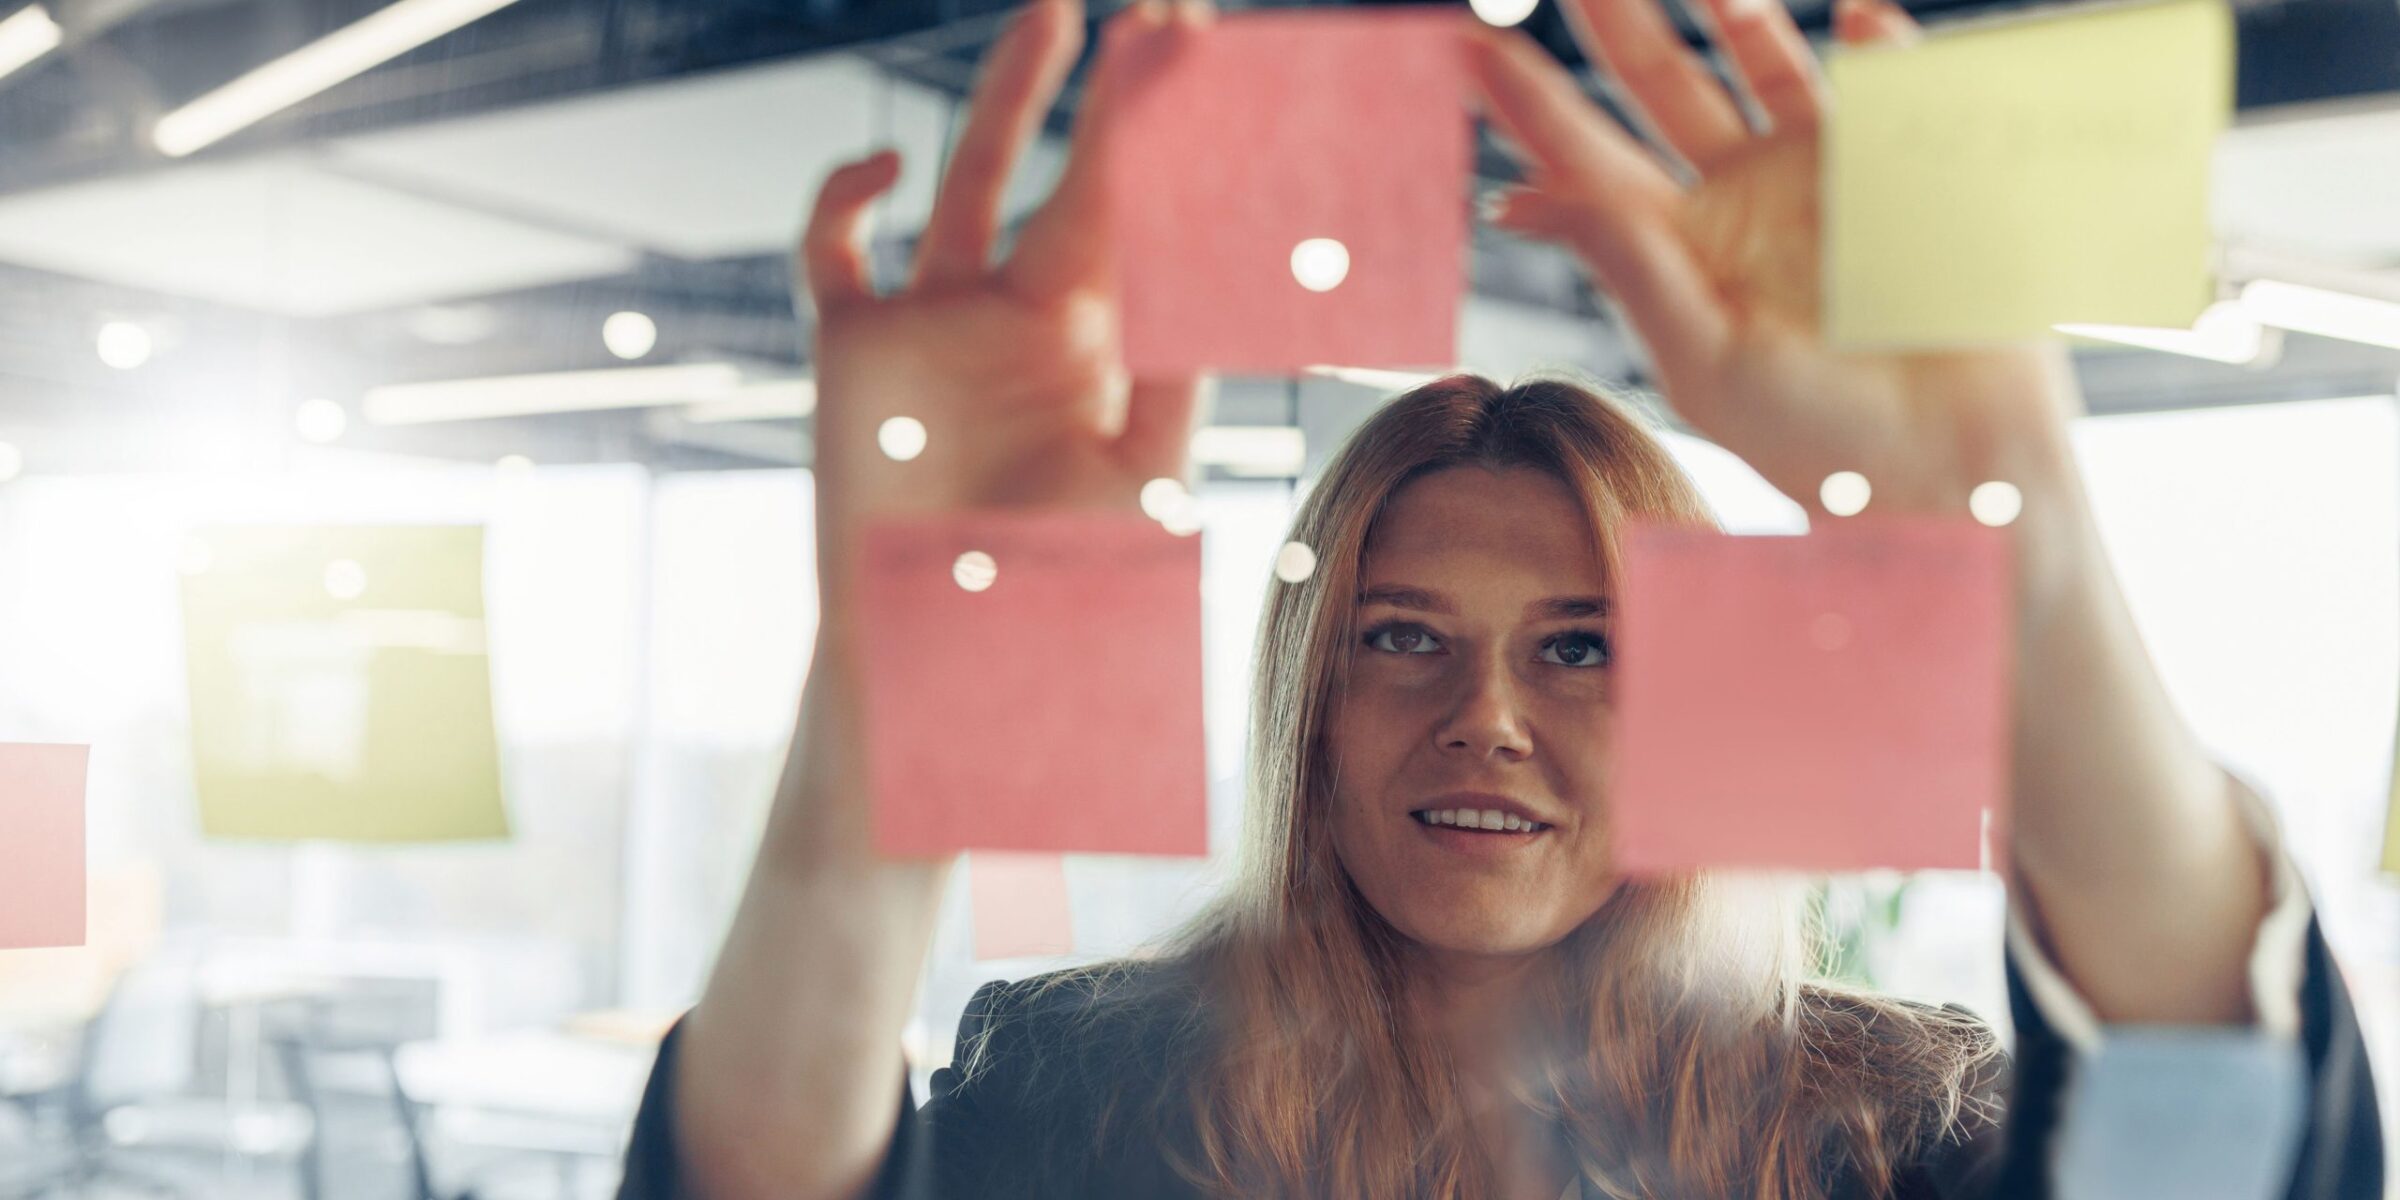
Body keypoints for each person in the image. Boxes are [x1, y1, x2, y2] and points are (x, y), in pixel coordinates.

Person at [620, 0, 2385, 1196]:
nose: (1490, 717)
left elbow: (2209, 1131)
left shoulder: (1888, 1125)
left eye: (1582, 646)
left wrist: (2031, 550)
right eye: (1402, 638)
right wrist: (891, 707)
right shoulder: (1087, 1083)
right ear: (1306, 696)